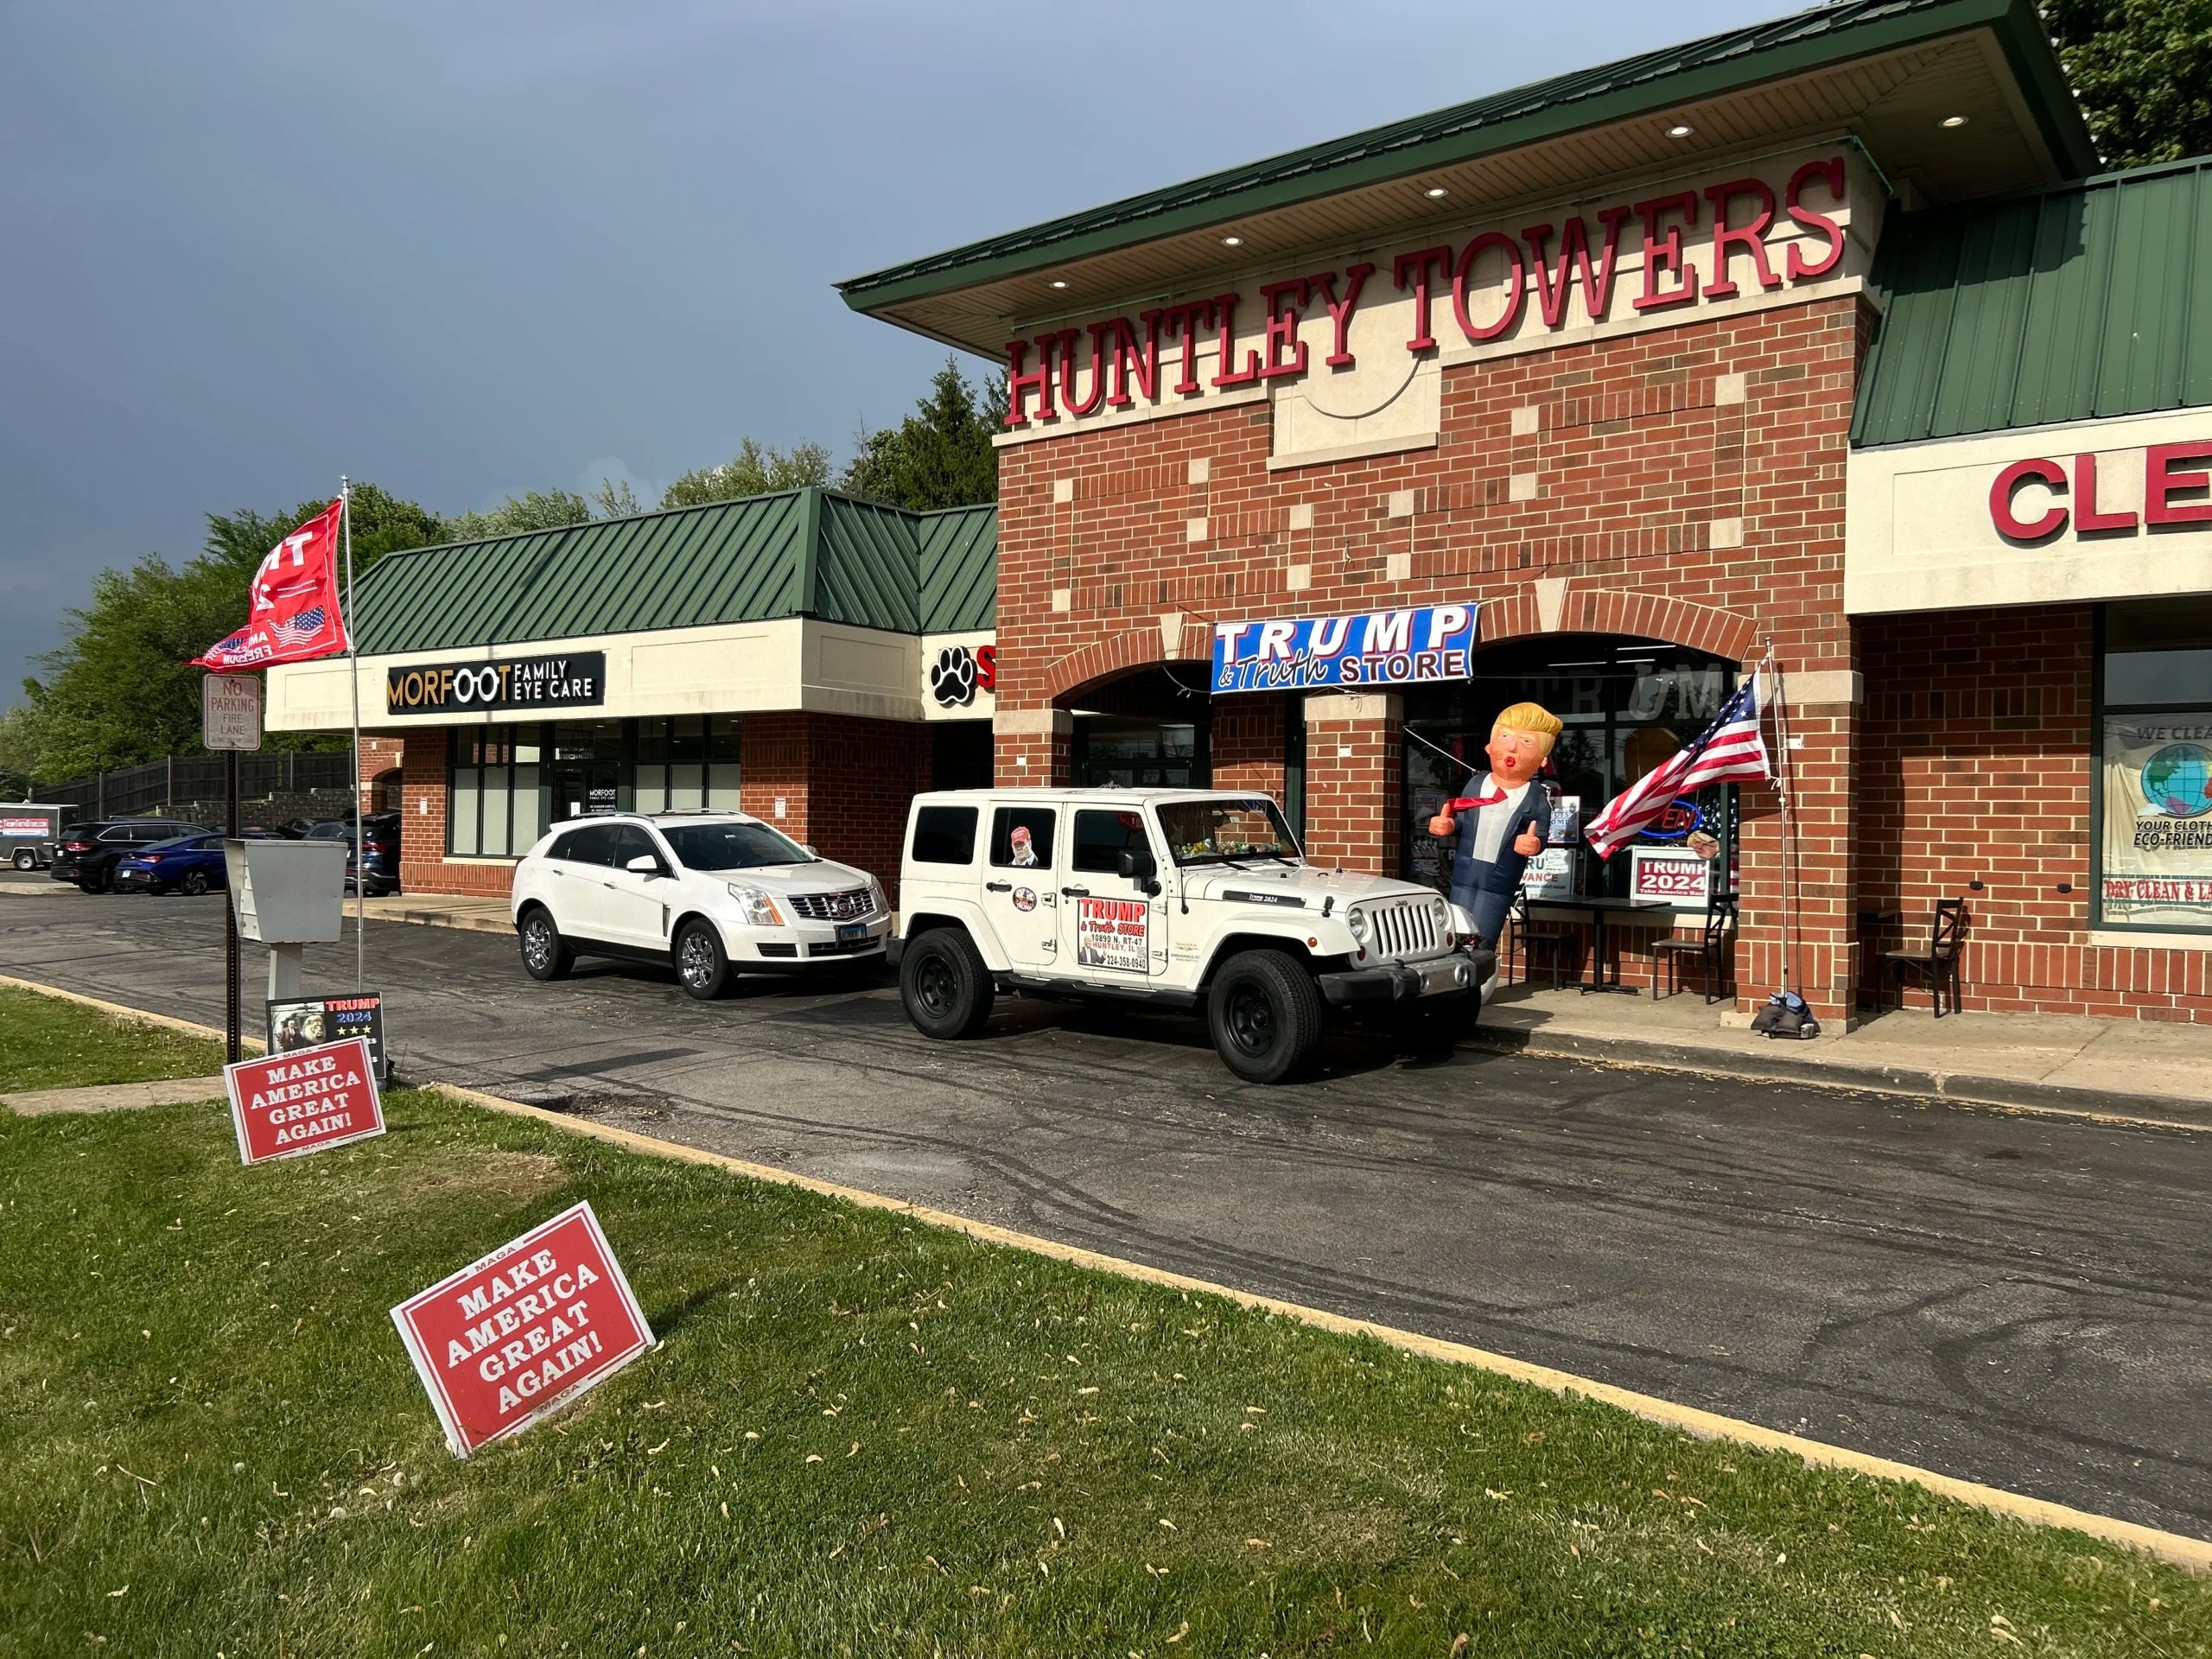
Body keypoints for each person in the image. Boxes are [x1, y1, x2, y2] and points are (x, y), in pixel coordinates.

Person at [1426, 701, 1562, 948]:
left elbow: (1541, 832)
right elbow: (1464, 819)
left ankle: (1480, 979)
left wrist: (1535, 843)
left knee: (1483, 935)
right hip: (1466, 872)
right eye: (1506, 736)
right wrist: (1448, 825)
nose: (1512, 747)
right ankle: (1456, 978)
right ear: (1489, 747)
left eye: (1526, 742)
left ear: (1542, 760)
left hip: (1500, 879)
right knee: (1456, 931)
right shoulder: (1477, 784)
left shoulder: (1536, 796)